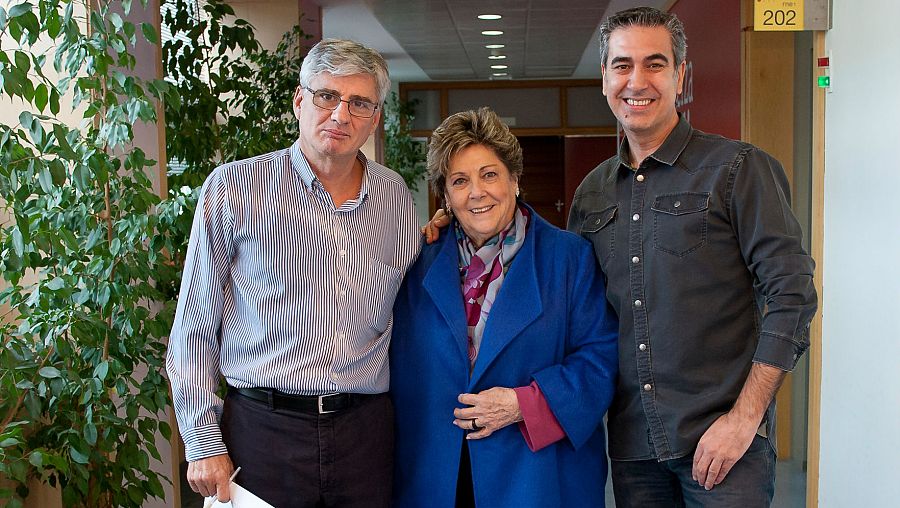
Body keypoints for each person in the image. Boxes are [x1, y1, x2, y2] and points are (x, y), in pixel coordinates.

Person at [566, 7, 818, 507]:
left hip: (726, 446)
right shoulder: (592, 193)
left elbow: (793, 296)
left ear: (680, 75)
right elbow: (566, 300)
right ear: (604, 78)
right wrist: (449, 231)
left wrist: (745, 419)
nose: (637, 81)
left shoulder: (738, 169)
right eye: (622, 65)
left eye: (654, 64)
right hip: (634, 446)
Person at [166, 38, 419, 508]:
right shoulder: (234, 188)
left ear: (375, 118)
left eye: (359, 103)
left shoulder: (395, 196)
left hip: (365, 435)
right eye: (327, 96)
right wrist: (202, 440)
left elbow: (407, 307)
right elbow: (194, 326)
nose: (341, 115)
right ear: (300, 100)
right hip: (264, 430)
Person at [392, 107, 619, 508]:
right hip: (437, 475)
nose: (477, 192)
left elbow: (600, 360)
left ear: (515, 180)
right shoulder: (415, 260)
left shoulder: (569, 259)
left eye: (489, 174)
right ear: (444, 196)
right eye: (460, 181)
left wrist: (523, 404)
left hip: (537, 475)